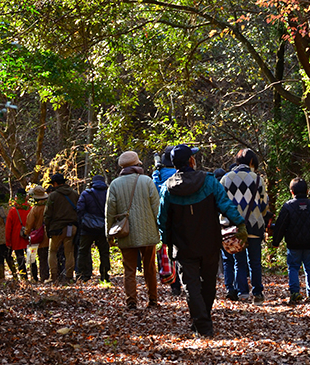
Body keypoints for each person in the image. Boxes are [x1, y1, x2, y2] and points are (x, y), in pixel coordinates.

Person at [158, 145, 247, 338]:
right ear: (191, 161)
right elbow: (226, 204)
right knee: (207, 284)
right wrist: (240, 224)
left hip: (182, 245)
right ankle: (203, 322)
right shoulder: (209, 182)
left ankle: (202, 323)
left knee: (191, 286)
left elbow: (162, 219)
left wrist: (165, 240)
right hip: (209, 242)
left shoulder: (167, 188)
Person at [106, 150, 160, 309]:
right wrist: (160, 228)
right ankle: (153, 300)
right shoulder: (147, 181)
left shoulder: (115, 184)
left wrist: (108, 233)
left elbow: (109, 211)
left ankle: (131, 301)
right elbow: (156, 208)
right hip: (148, 231)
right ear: (137, 164)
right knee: (150, 267)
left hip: (125, 232)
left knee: (129, 269)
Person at [220, 148, 269, 303]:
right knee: (255, 262)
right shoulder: (257, 179)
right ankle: (258, 293)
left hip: (233, 226)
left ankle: (242, 292)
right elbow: (264, 204)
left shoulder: (226, 179)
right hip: (254, 225)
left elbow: (221, 203)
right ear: (251, 162)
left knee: (238, 261)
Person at [272, 177, 310, 304]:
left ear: (292, 192)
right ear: (307, 190)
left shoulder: (288, 206)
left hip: (293, 244)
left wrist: (276, 242)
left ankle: (295, 293)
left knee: (293, 268)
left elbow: (280, 226)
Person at [152, 146, 182, 296]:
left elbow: (155, 193)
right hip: (182, 215)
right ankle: (185, 280)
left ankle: (174, 284)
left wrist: (156, 174)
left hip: (164, 216)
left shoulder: (158, 175)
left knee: (168, 250)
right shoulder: (180, 172)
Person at [44, 172, 79, 283]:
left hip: (57, 228)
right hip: (71, 227)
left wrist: (48, 228)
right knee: (69, 252)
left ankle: (53, 276)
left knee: (52, 251)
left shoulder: (53, 196)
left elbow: (47, 214)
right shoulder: (74, 194)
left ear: (55, 183)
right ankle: (69, 277)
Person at [76, 175, 111, 283]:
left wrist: (82, 222)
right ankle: (104, 275)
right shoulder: (108, 193)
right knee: (104, 252)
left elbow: (79, 209)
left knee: (83, 251)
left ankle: (82, 275)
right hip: (103, 228)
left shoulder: (86, 194)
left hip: (87, 228)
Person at [24, 185, 50, 282]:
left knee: (32, 258)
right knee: (46, 258)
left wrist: (26, 232)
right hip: (49, 236)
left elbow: (29, 224)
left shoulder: (34, 209)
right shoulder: (49, 207)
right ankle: (47, 277)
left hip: (36, 237)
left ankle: (35, 277)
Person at [5, 188, 31, 280]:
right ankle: (35, 277)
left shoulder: (12, 211)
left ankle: (24, 278)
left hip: (16, 239)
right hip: (29, 238)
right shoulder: (30, 209)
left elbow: (8, 228)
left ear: (16, 198)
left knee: (20, 259)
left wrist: (8, 242)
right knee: (31, 258)